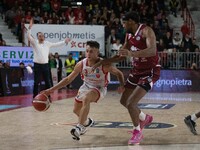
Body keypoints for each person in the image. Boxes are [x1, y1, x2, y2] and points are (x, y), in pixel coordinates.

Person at [92, 11, 160, 145]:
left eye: (124, 22)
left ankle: (137, 132)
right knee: (124, 101)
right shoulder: (128, 36)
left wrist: (132, 53)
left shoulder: (146, 30)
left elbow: (152, 50)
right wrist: (104, 61)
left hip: (150, 71)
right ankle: (144, 117)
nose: (122, 25)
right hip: (136, 70)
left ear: (131, 21)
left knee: (131, 103)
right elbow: (121, 55)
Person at [40, 40, 125, 140]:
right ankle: (87, 122)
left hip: (99, 88)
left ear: (97, 53)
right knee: (76, 110)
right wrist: (51, 90)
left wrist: (122, 86)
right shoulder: (81, 64)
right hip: (86, 86)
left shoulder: (104, 65)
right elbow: (68, 79)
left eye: (92, 51)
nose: (88, 53)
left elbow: (119, 73)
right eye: (87, 51)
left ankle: (79, 128)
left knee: (86, 98)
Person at [27, 18, 71, 98]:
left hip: (45, 65)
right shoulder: (35, 43)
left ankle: (48, 96)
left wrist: (65, 41)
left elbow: (56, 44)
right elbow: (29, 37)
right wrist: (30, 28)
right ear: (37, 37)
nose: (41, 37)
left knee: (48, 82)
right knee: (36, 82)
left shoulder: (47, 43)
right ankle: (35, 97)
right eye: (40, 36)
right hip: (37, 65)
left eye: (42, 36)